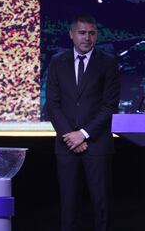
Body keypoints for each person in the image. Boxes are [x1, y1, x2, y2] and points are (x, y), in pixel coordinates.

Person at [46, 14, 120, 231]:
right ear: (71, 35)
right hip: (66, 145)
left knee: (101, 204)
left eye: (91, 33)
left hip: (97, 145)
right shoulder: (58, 62)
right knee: (68, 205)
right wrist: (71, 136)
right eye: (82, 33)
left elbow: (109, 106)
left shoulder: (108, 62)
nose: (87, 38)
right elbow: (53, 104)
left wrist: (84, 134)